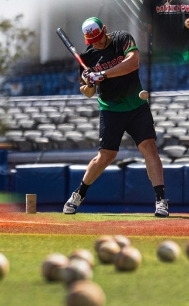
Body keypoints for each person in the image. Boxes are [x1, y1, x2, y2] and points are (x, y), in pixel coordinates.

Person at [63, 17, 168, 217]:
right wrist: (88, 81)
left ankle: (161, 200)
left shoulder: (122, 39)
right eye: (93, 41)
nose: (98, 43)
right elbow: (88, 92)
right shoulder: (88, 58)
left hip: (136, 106)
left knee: (149, 148)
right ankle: (78, 194)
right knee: (106, 155)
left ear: (105, 29)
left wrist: (102, 74)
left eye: (100, 37)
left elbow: (133, 63)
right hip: (111, 109)